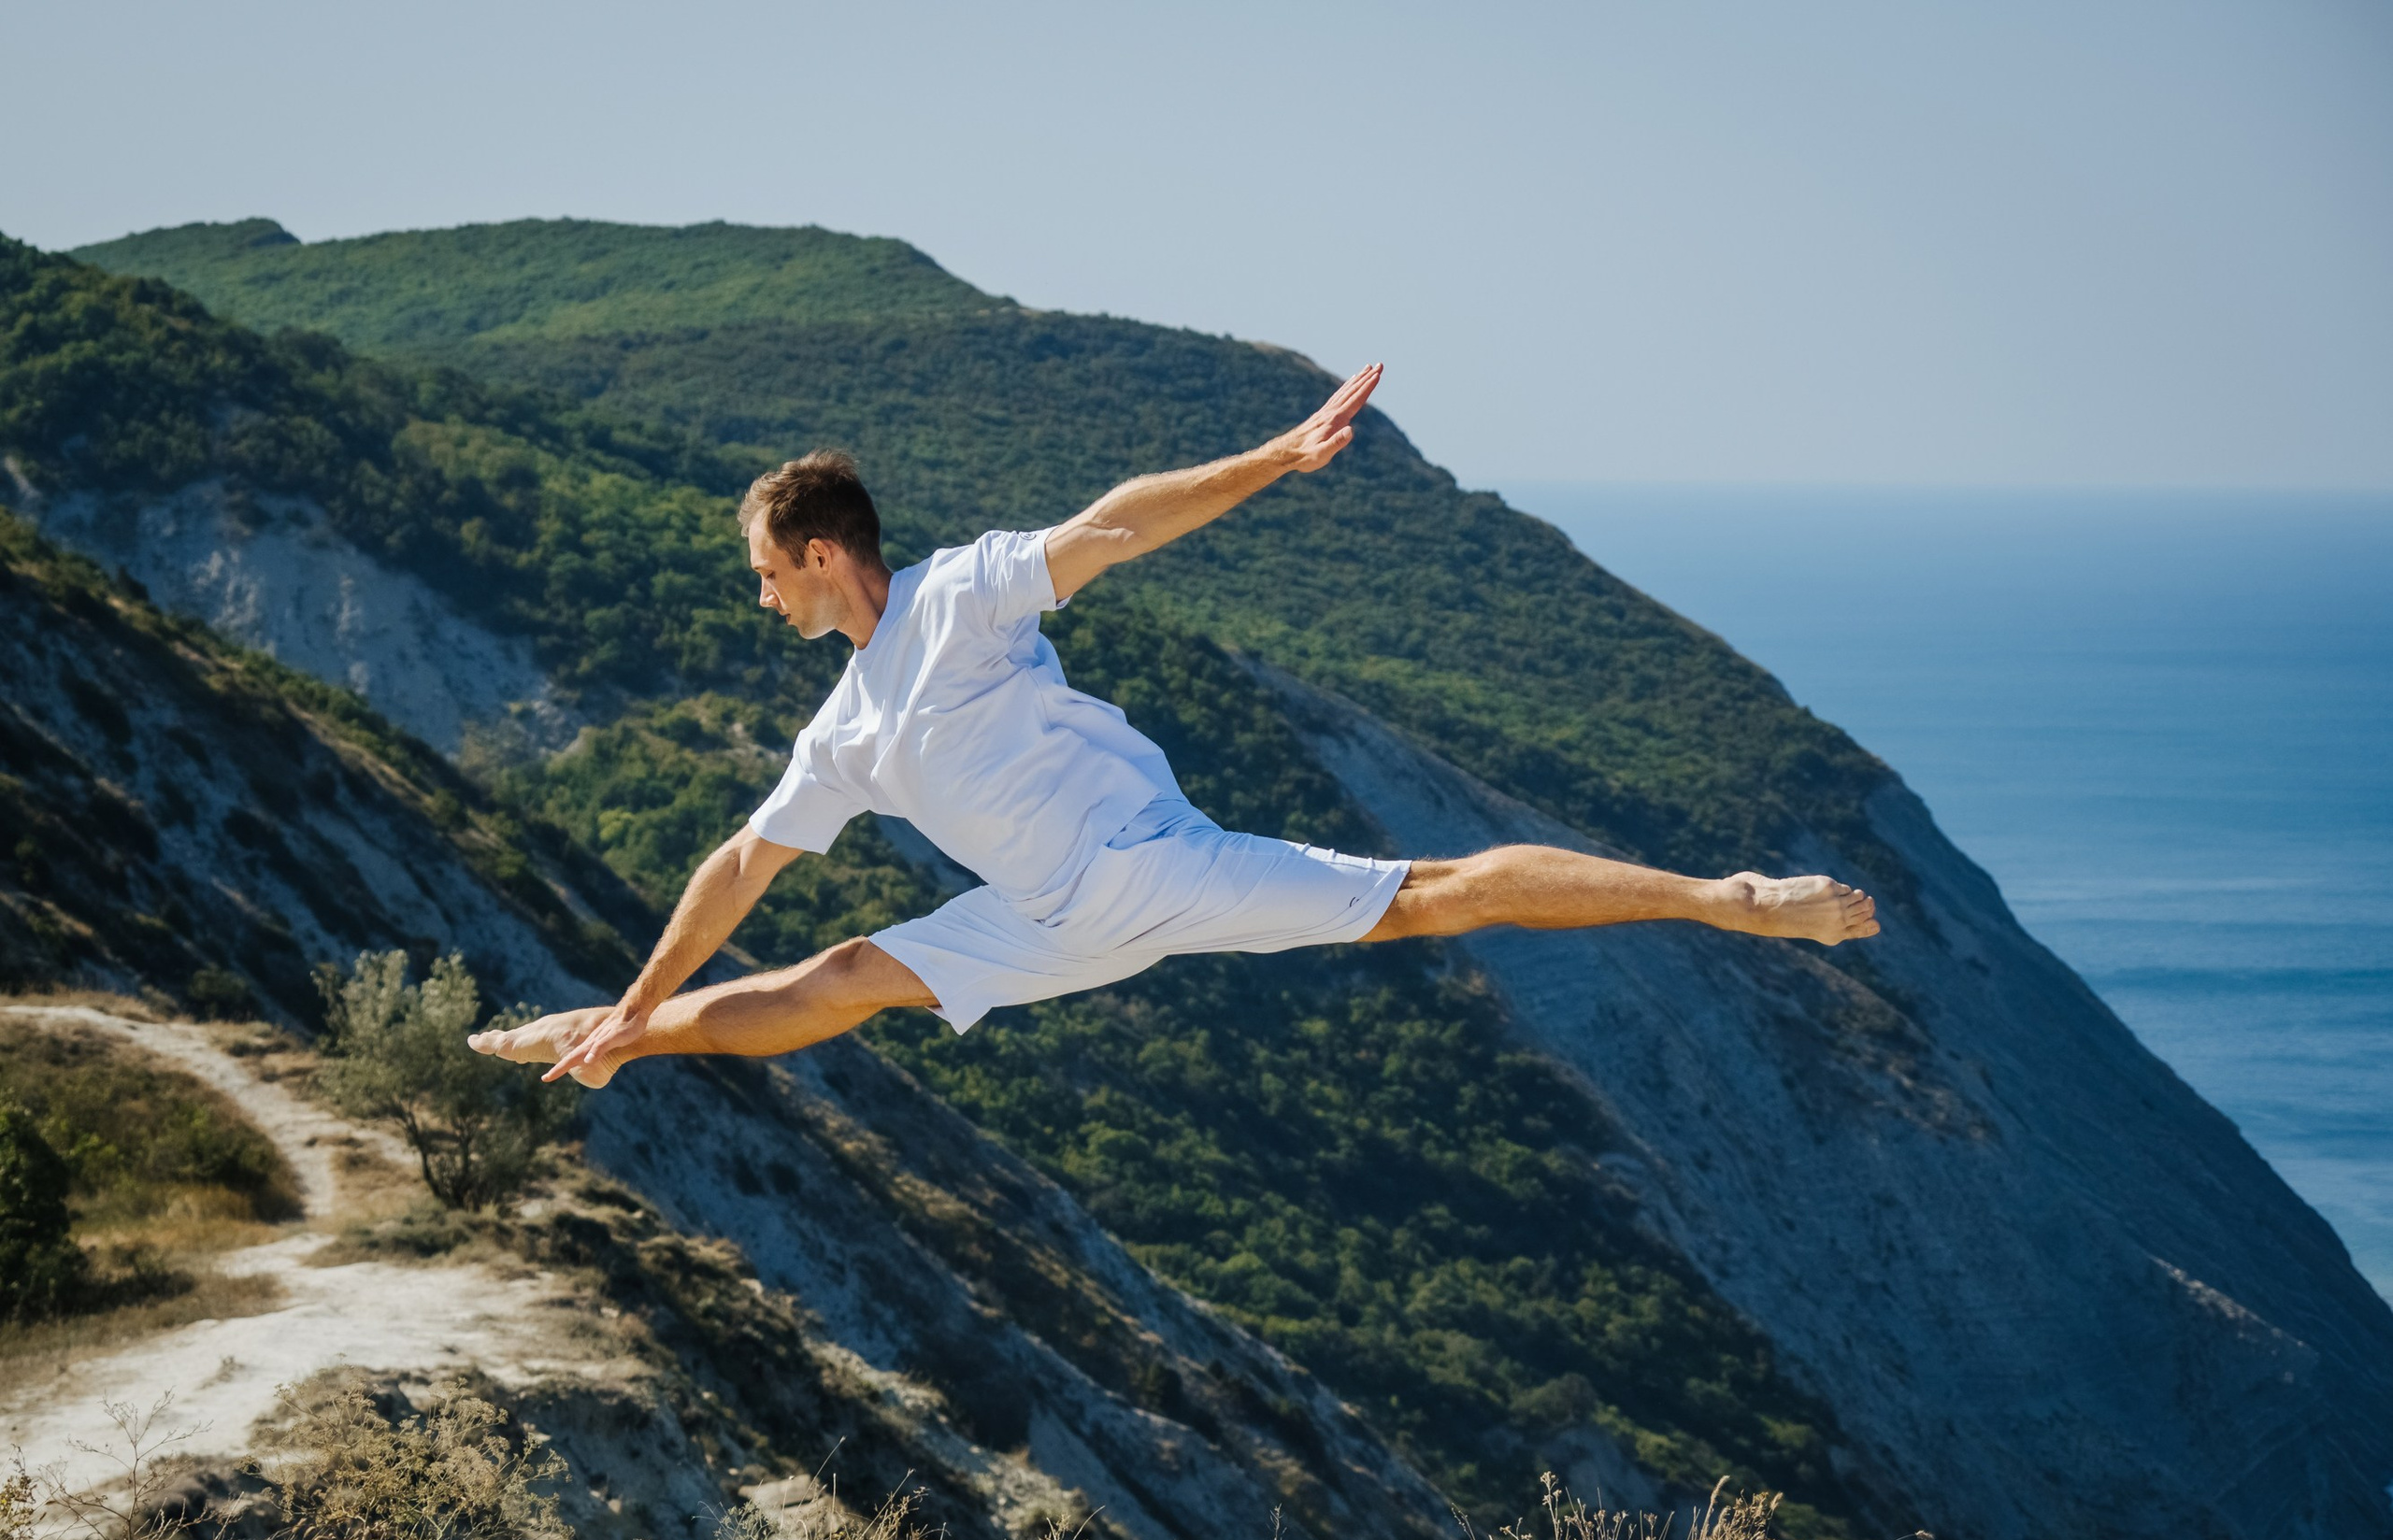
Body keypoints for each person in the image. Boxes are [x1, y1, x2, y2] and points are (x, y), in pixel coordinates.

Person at [470, 364, 1878, 1091]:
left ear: (827, 552)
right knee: (833, 975)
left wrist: (1272, 458)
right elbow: (735, 871)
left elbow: (1114, 525)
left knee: (1430, 901)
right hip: (1038, 916)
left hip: (1145, 863)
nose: (760, 598)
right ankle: (613, 1036)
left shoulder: (957, 600)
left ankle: (1735, 902)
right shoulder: (845, 729)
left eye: (767, 572)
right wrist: (644, 995)